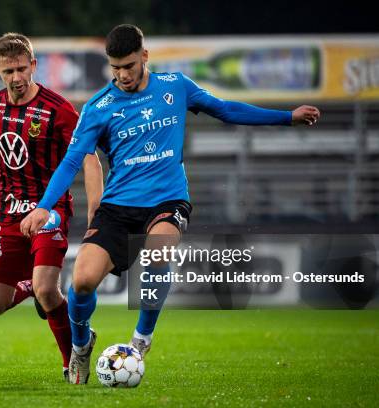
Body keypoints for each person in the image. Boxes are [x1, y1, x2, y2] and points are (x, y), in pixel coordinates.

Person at [20, 24, 321, 384]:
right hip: (118, 207)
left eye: (129, 66)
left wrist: (286, 117)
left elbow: (225, 109)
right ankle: (81, 346)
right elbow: (72, 161)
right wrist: (43, 205)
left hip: (167, 198)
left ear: (144, 56)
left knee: (158, 250)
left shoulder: (176, 86)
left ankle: (141, 338)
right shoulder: (99, 107)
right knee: (82, 281)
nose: (122, 75)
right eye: (115, 68)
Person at [0, 32, 103, 379]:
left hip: (49, 210)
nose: (16, 78)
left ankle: (73, 360)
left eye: (22, 68)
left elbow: (89, 159)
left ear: (33, 65)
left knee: (48, 289)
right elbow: (0, 150)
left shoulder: (58, 109)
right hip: (6, 211)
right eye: (8, 71)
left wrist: (97, 213)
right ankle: (32, 290)